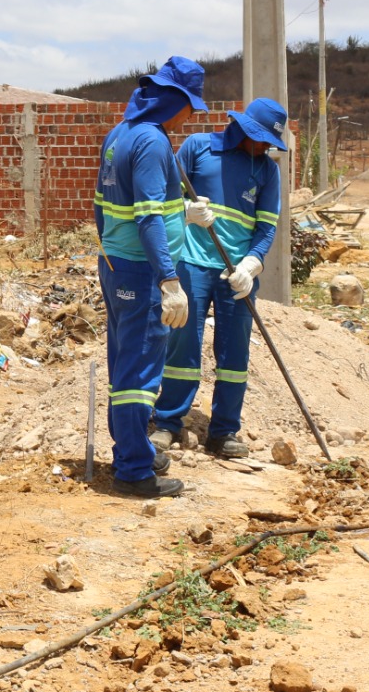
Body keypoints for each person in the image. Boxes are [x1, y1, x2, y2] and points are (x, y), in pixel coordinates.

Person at [94, 56, 214, 498]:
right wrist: (168, 279)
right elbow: (147, 217)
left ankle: (133, 450)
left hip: (117, 265)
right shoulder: (151, 141)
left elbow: (103, 207)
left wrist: (180, 212)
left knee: (124, 365)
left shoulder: (121, 133)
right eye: (190, 108)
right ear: (174, 101)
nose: (190, 118)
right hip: (143, 273)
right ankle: (133, 472)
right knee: (140, 374)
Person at [150, 98, 286, 458]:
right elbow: (164, 196)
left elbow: (266, 228)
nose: (265, 146)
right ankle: (168, 423)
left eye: (270, 141)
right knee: (182, 344)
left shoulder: (267, 171)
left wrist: (251, 266)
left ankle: (224, 431)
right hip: (191, 263)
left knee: (234, 351)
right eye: (260, 138)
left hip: (235, 274)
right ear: (241, 128)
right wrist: (185, 210)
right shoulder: (199, 147)